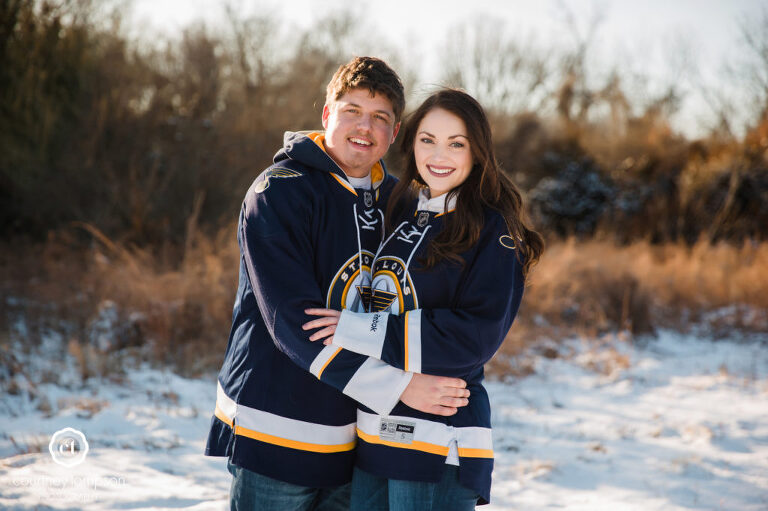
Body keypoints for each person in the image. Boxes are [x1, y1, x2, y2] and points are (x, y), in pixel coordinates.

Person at [205, 58, 472, 511]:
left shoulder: (398, 203)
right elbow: (294, 322)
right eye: (352, 111)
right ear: (327, 114)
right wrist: (399, 387)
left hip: (358, 443)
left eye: (380, 117)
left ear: (395, 132)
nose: (364, 127)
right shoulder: (278, 192)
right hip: (278, 432)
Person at [303, 89, 544, 509]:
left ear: (478, 151)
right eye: (427, 139)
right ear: (410, 142)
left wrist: (358, 329)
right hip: (374, 437)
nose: (439, 154)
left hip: (440, 441)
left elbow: (474, 337)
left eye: (456, 143)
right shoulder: (400, 212)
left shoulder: (493, 229)